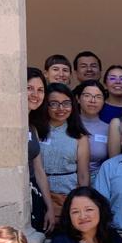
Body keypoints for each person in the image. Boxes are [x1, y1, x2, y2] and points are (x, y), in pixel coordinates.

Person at [39, 82, 90, 221]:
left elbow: (83, 174)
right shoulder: (36, 130)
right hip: (39, 195)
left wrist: (82, 201)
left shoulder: (79, 136)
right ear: (46, 105)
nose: (61, 108)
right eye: (54, 103)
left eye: (66, 103)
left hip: (67, 196)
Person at [27, 68, 55, 233]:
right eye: (29, 88)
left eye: (40, 90)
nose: (35, 94)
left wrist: (49, 207)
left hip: (33, 196)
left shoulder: (33, 128)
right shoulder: (7, 126)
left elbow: (39, 170)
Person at [75, 80, 109, 178]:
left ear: (104, 101)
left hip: (97, 181)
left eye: (98, 97)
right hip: (69, 179)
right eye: (87, 95)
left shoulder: (108, 128)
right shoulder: (68, 124)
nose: (92, 100)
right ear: (78, 98)